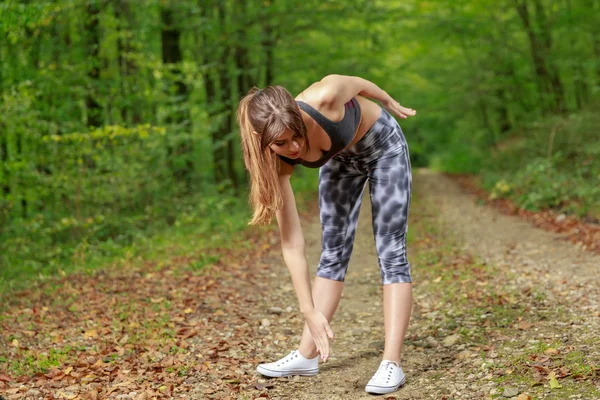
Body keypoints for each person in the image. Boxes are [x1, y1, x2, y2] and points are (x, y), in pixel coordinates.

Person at [236, 74, 416, 395]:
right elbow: (292, 243)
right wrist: (308, 309)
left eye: (297, 136)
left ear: (297, 114)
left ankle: (391, 363)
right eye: (281, 143)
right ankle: (306, 356)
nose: (293, 148)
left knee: (391, 251)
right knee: (332, 252)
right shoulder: (274, 161)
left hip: (383, 146)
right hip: (340, 160)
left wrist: (387, 99)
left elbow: (359, 84)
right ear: (260, 138)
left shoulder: (326, 96)